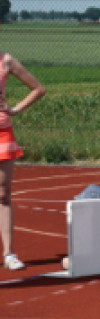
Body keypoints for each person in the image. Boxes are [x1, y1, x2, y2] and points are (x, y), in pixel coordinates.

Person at [1, 49, 46, 271]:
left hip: (2, 133)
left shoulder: (5, 60)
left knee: (3, 194)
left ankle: (9, 253)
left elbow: (38, 89)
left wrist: (14, 109)